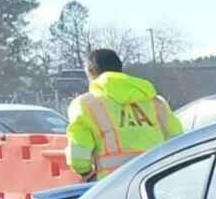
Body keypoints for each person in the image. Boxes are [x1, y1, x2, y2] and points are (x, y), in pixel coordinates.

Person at [64, 47, 182, 181]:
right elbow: (178, 142)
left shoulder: (84, 105)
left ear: (90, 73)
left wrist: (86, 173)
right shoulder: (157, 102)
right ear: (119, 69)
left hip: (114, 188)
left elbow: (78, 158)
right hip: (157, 184)